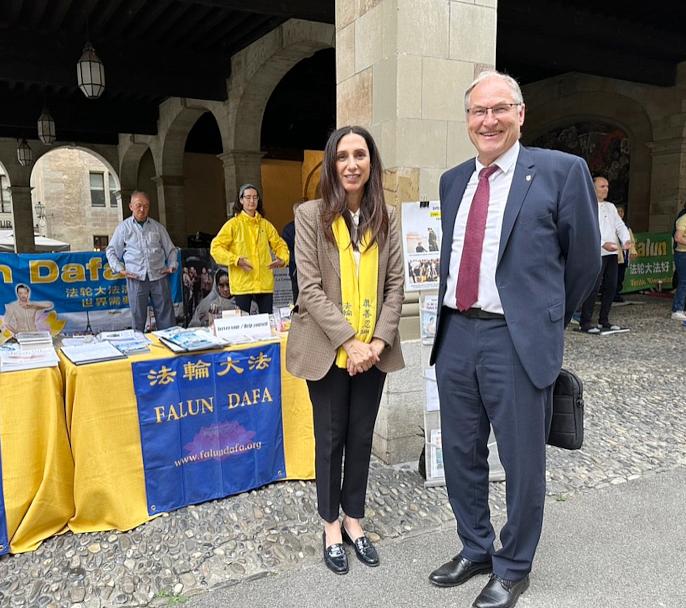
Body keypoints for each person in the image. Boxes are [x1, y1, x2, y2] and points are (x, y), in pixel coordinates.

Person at [429, 71, 599, 608]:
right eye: (478, 112)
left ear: (520, 114)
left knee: (523, 460)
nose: (489, 121)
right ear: (467, 121)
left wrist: (546, 317)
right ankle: (475, 547)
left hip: (515, 341)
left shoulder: (560, 171)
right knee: (459, 452)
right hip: (456, 332)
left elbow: (586, 261)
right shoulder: (453, 180)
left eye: (500, 109)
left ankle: (514, 566)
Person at [286, 126, 404, 576]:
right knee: (331, 438)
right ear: (332, 165)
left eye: (360, 155)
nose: (351, 164)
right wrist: (350, 342)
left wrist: (375, 343)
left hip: (373, 352)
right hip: (329, 350)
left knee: (360, 437)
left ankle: (355, 520)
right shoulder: (310, 215)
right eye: (342, 156)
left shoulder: (385, 217)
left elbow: (394, 285)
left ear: (371, 163)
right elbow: (310, 289)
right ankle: (330, 525)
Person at [210, 184, 289, 315]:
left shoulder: (266, 225)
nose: (251, 201)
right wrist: (236, 260)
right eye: (248, 197)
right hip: (243, 283)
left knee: (267, 320)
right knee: (244, 324)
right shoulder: (233, 225)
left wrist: (282, 259)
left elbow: (280, 244)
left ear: (258, 200)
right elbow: (215, 247)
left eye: (254, 197)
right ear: (241, 200)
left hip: (264, 282)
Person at [106, 191, 177, 332]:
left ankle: (170, 345)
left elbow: (171, 249)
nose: (142, 209)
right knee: (138, 319)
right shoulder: (123, 228)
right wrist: (120, 269)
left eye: (146, 206)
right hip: (136, 278)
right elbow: (111, 251)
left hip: (158, 276)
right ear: (131, 206)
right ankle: (140, 348)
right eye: (138, 205)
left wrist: (172, 265)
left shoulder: (157, 227)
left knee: (166, 318)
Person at [579, 176, 631, 333]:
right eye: (602, 186)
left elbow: (619, 225)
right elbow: (586, 229)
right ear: (593, 188)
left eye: (607, 186)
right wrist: (602, 244)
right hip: (596, 252)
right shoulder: (586, 205)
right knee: (593, 287)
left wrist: (626, 240)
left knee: (611, 286)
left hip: (612, 252)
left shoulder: (611, 206)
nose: (606, 189)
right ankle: (585, 322)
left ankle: (604, 320)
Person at [281, 201, 303, 304]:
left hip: (315, 270)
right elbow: (287, 251)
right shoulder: (288, 230)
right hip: (296, 270)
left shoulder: (316, 225)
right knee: (298, 297)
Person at [614, 205, 636, 302]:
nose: (620, 213)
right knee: (612, 276)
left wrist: (632, 251)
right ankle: (611, 294)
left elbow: (631, 241)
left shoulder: (626, 227)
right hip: (614, 255)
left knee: (620, 276)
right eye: (618, 211)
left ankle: (617, 293)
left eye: (622, 211)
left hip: (624, 256)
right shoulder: (610, 225)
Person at [671, 203, 686, 320]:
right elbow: (678, 237)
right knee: (684, 281)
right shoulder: (683, 219)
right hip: (683, 254)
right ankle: (677, 309)